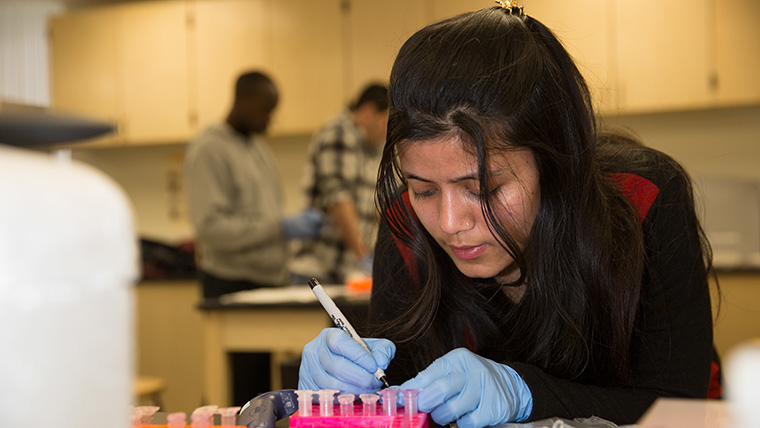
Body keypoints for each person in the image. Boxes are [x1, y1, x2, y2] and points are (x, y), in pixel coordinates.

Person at [298, 5, 722, 427]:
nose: (449, 223)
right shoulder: (406, 221)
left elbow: (679, 409)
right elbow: (399, 390)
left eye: (484, 189)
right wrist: (346, 396)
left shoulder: (644, 199)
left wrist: (525, 394)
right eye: (424, 189)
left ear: (553, 163)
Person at [185, 70, 324, 300]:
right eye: (266, 110)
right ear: (242, 101)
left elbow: (263, 216)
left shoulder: (260, 149)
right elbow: (211, 229)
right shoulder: (209, 150)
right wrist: (280, 228)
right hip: (230, 282)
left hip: (270, 280)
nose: (270, 119)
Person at [290, 83, 389, 284]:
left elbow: (376, 206)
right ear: (370, 112)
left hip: (344, 270)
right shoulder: (340, 133)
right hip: (316, 271)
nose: (388, 129)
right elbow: (339, 199)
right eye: (387, 120)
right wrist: (363, 257)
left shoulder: (371, 147)